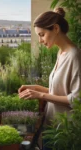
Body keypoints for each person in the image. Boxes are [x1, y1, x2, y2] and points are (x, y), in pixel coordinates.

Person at [18, 7, 81, 150]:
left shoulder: (75, 56)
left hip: (64, 133)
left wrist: (41, 95)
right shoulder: (61, 53)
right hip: (51, 127)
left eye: (42, 34)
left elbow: (77, 100)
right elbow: (58, 92)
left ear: (56, 28)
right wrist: (34, 89)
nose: (40, 40)